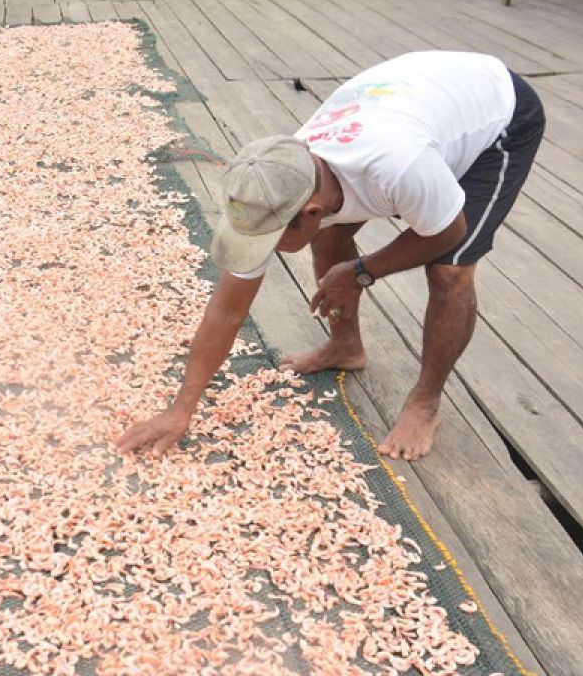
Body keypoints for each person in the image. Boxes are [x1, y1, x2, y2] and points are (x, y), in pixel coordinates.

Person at [117, 51, 545, 461]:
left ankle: (427, 401)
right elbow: (228, 309)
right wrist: (181, 408)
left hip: (498, 117)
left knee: (450, 269)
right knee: (327, 239)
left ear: (310, 212)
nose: (262, 251)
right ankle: (346, 347)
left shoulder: (397, 167)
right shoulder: (285, 173)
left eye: (268, 239)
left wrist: (362, 271)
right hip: (417, 99)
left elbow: (447, 231)